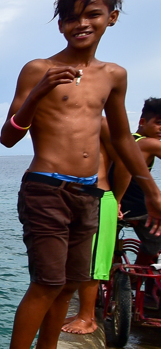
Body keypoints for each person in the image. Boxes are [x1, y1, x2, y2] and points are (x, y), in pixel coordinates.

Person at [0, 0, 161, 349]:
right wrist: (39, 92)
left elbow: (124, 139)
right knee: (48, 282)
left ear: (112, 18)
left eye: (92, 14)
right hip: (46, 187)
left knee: (72, 281)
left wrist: (152, 190)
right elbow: (8, 136)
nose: (81, 24)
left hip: (90, 192)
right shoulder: (38, 69)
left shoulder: (113, 76)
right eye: (71, 17)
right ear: (60, 26)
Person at [60, 118, 119, 335]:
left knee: (92, 262)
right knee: (79, 260)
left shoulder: (102, 122)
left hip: (99, 197)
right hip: (77, 198)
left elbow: (122, 161)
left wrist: (116, 198)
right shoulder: (67, 122)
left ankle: (87, 317)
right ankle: (81, 314)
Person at [111, 98, 161, 266]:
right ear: (142, 122)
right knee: (156, 242)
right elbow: (123, 170)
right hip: (137, 208)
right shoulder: (149, 143)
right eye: (159, 123)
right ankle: (139, 276)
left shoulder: (125, 141)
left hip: (113, 204)